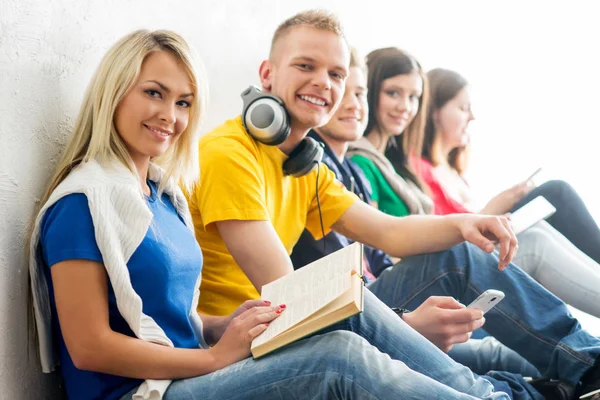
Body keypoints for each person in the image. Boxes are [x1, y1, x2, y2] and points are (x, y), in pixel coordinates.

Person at [26, 29, 492, 400]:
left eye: (184, 102)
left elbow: (176, 317)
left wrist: (219, 327)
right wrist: (214, 358)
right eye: (154, 93)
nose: (170, 115)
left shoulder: (161, 195)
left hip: (189, 370)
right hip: (147, 391)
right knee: (337, 358)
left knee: (345, 324)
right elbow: (88, 347)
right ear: (115, 94)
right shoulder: (81, 203)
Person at [188, 10, 600, 400]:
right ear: (267, 74)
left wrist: (466, 223)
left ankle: (587, 364)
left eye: (335, 74)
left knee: (459, 251)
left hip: (291, 319)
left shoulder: (304, 167)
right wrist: (405, 323)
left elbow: (389, 232)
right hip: (248, 336)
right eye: (305, 66)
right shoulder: (230, 153)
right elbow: (293, 295)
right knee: (357, 309)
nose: (323, 83)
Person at [290, 47, 539, 379]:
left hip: (380, 302)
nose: (352, 104)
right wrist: (404, 318)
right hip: (359, 313)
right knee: (476, 261)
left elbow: (381, 250)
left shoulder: (355, 175)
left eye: (359, 94)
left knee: (499, 357)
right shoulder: (320, 172)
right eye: (393, 93)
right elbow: (361, 262)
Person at [414, 67, 600, 317]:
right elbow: (443, 238)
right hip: (466, 261)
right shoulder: (419, 171)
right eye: (462, 108)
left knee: (542, 224)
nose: (472, 117)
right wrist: (495, 207)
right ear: (434, 112)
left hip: (483, 251)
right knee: (555, 196)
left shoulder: (455, 175)